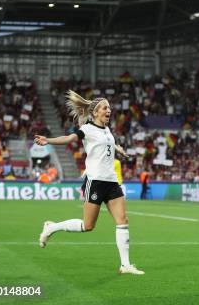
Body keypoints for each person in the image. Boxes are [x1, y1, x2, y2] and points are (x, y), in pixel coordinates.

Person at [35, 90, 144, 275]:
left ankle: (125, 265)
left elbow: (108, 143)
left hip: (111, 182)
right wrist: (49, 140)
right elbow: (69, 138)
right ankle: (52, 227)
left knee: (123, 220)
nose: (108, 110)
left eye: (109, 107)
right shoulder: (86, 129)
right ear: (95, 112)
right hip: (95, 181)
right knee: (88, 226)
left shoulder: (107, 130)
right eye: (104, 108)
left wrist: (119, 150)